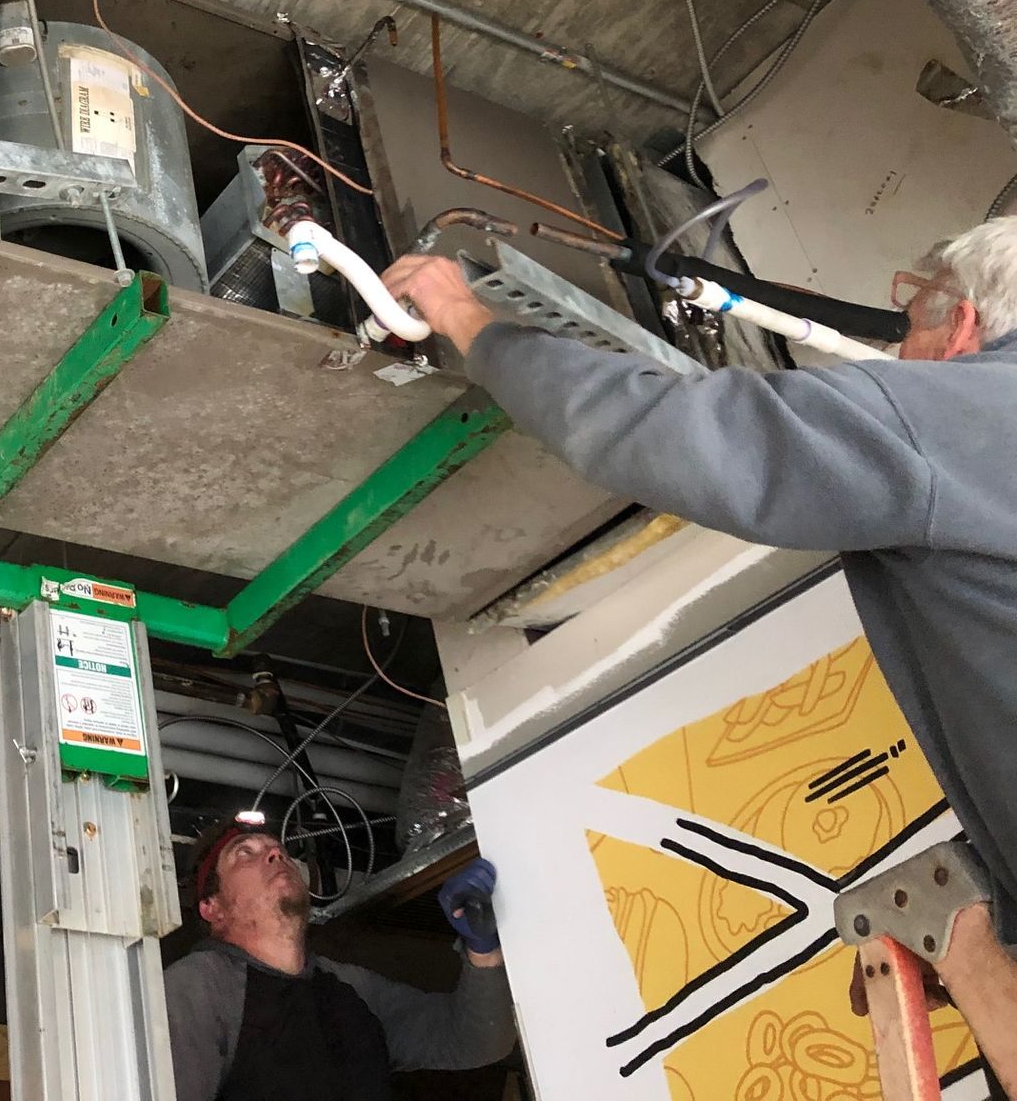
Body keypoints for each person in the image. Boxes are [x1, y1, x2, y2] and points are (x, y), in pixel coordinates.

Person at [378, 218, 1017, 950]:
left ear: (960, 326)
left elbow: (672, 431)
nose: (898, 359)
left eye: (906, 333)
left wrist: (467, 318)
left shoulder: (963, 413)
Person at [164, 819, 516, 1100]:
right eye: (245, 853)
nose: (275, 855)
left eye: (279, 850)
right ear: (213, 908)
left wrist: (482, 948)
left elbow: (476, 1041)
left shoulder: (353, 990)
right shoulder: (200, 987)